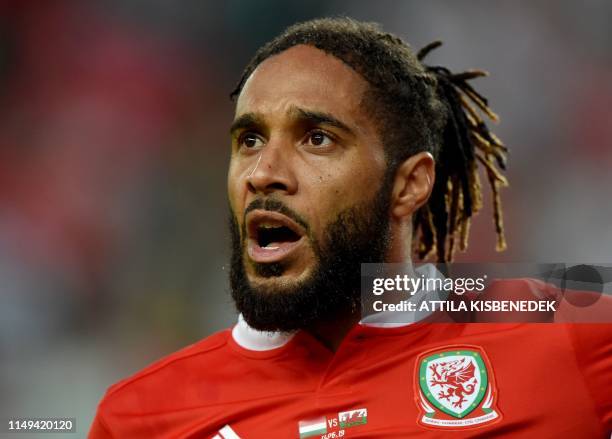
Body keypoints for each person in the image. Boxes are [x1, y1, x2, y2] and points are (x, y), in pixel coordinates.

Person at [89, 17, 611, 438]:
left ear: (409, 185)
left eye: (316, 138)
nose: (263, 173)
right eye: (249, 140)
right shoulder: (141, 418)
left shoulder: (569, 340)